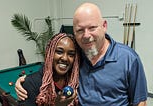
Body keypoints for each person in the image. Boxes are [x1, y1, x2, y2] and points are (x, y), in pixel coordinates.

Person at [15, 2, 148, 106]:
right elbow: (51, 67)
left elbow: (140, 102)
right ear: (74, 32)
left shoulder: (129, 58)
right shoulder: (77, 56)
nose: (86, 35)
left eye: (92, 28)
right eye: (80, 30)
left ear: (104, 26)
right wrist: (25, 81)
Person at [17, 33, 80, 106]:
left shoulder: (76, 81)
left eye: (71, 54)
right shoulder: (31, 83)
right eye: (59, 52)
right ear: (50, 53)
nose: (65, 58)